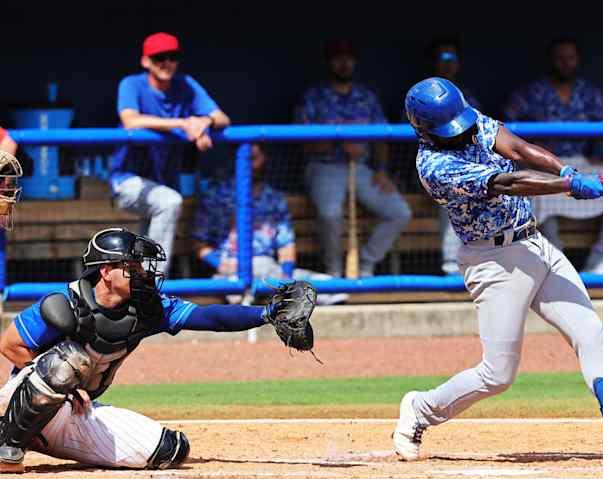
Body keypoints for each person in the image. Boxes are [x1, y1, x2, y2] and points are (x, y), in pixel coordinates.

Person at [393, 77, 603, 466]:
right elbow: (510, 182)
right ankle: (420, 409)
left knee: (590, 332)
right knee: (498, 375)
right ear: (424, 130)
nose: (460, 132)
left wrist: (567, 169)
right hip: (493, 262)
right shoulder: (435, 166)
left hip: (534, 243)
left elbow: (518, 148)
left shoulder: (469, 120)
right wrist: (568, 185)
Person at [0, 228, 315, 473]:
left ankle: (39, 437)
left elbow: (210, 317)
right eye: (132, 266)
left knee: (168, 449)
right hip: (27, 398)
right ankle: (8, 448)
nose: (142, 272)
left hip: (77, 413)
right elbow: (10, 345)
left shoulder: (149, 309)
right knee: (64, 364)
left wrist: (267, 314)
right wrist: (66, 390)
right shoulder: (65, 302)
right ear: (106, 271)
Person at [503, 37, 603, 275]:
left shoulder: (589, 93)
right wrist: (529, 150)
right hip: (545, 164)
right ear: (550, 60)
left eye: (570, 58)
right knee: (536, 197)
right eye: (560, 58)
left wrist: (598, 153)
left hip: (582, 161)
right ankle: (560, 265)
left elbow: (602, 129)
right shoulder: (530, 92)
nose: (565, 63)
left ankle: (599, 261)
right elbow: (506, 127)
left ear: (578, 60)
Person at [108, 32, 231, 275]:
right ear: (146, 61)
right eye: (159, 58)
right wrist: (184, 124)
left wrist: (204, 123)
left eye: (172, 57)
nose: (166, 63)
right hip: (127, 181)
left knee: (147, 237)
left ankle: (137, 286)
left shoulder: (185, 84)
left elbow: (222, 117)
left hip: (163, 182)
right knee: (169, 202)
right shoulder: (132, 84)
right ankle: (151, 284)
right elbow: (131, 120)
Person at [294, 39, 412, 277]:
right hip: (324, 166)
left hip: (360, 167)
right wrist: (338, 141)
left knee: (399, 212)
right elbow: (303, 141)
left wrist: (381, 171)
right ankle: (335, 272)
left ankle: (365, 262)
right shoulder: (314, 97)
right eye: (338, 58)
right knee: (329, 214)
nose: (344, 63)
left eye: (349, 58)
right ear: (329, 62)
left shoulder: (365, 96)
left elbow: (381, 138)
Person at [193, 143, 348, 305]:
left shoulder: (274, 198)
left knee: (334, 288)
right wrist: (220, 264)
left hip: (268, 268)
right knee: (237, 295)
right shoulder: (216, 195)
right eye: (244, 159)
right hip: (232, 269)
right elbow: (199, 243)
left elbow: (286, 245)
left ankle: (272, 296)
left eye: (254, 158)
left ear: (264, 158)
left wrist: (286, 277)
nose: (249, 164)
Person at [427, 36, 482, 275]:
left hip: (464, 168)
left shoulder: (465, 97)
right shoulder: (421, 95)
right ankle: (451, 265)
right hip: (430, 167)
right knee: (454, 194)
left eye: (452, 58)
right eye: (443, 57)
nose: (448, 63)